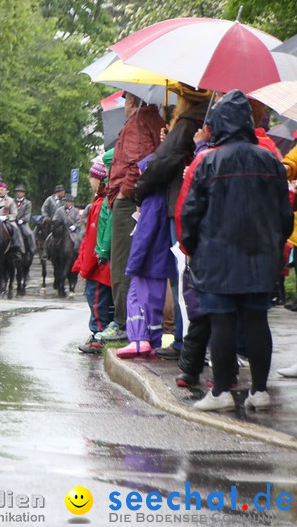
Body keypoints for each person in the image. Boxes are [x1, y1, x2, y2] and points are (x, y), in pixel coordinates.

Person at [177, 90, 291, 412]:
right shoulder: (271, 160)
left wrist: (192, 249)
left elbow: (190, 213)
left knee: (222, 323)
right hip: (259, 257)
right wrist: (275, 245)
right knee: (257, 322)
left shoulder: (208, 161)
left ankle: (221, 392)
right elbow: (284, 214)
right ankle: (259, 391)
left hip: (216, 258)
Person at [134, 83, 211, 361]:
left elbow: (165, 162)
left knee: (181, 276)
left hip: (180, 203)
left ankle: (182, 340)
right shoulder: (211, 116)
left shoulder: (189, 120)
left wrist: (140, 188)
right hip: (204, 205)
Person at [108, 93, 166, 342]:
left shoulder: (137, 123)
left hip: (128, 201)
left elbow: (136, 163)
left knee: (121, 262)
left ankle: (122, 321)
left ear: (131, 100)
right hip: (145, 199)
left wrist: (122, 194)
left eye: (125, 100)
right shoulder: (157, 120)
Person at [72, 160, 113, 354]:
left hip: (98, 264)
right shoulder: (99, 202)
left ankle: (98, 335)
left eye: (92, 177)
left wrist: (86, 266)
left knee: (96, 300)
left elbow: (94, 238)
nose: (89, 180)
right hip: (99, 262)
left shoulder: (100, 204)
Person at [12, 184, 35, 257]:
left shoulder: (28, 203)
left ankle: (32, 249)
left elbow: (27, 214)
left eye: (20, 192)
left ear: (23, 193)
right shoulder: (12, 201)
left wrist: (22, 220)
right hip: (13, 221)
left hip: (23, 223)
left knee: (30, 234)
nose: (18, 193)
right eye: (17, 192)